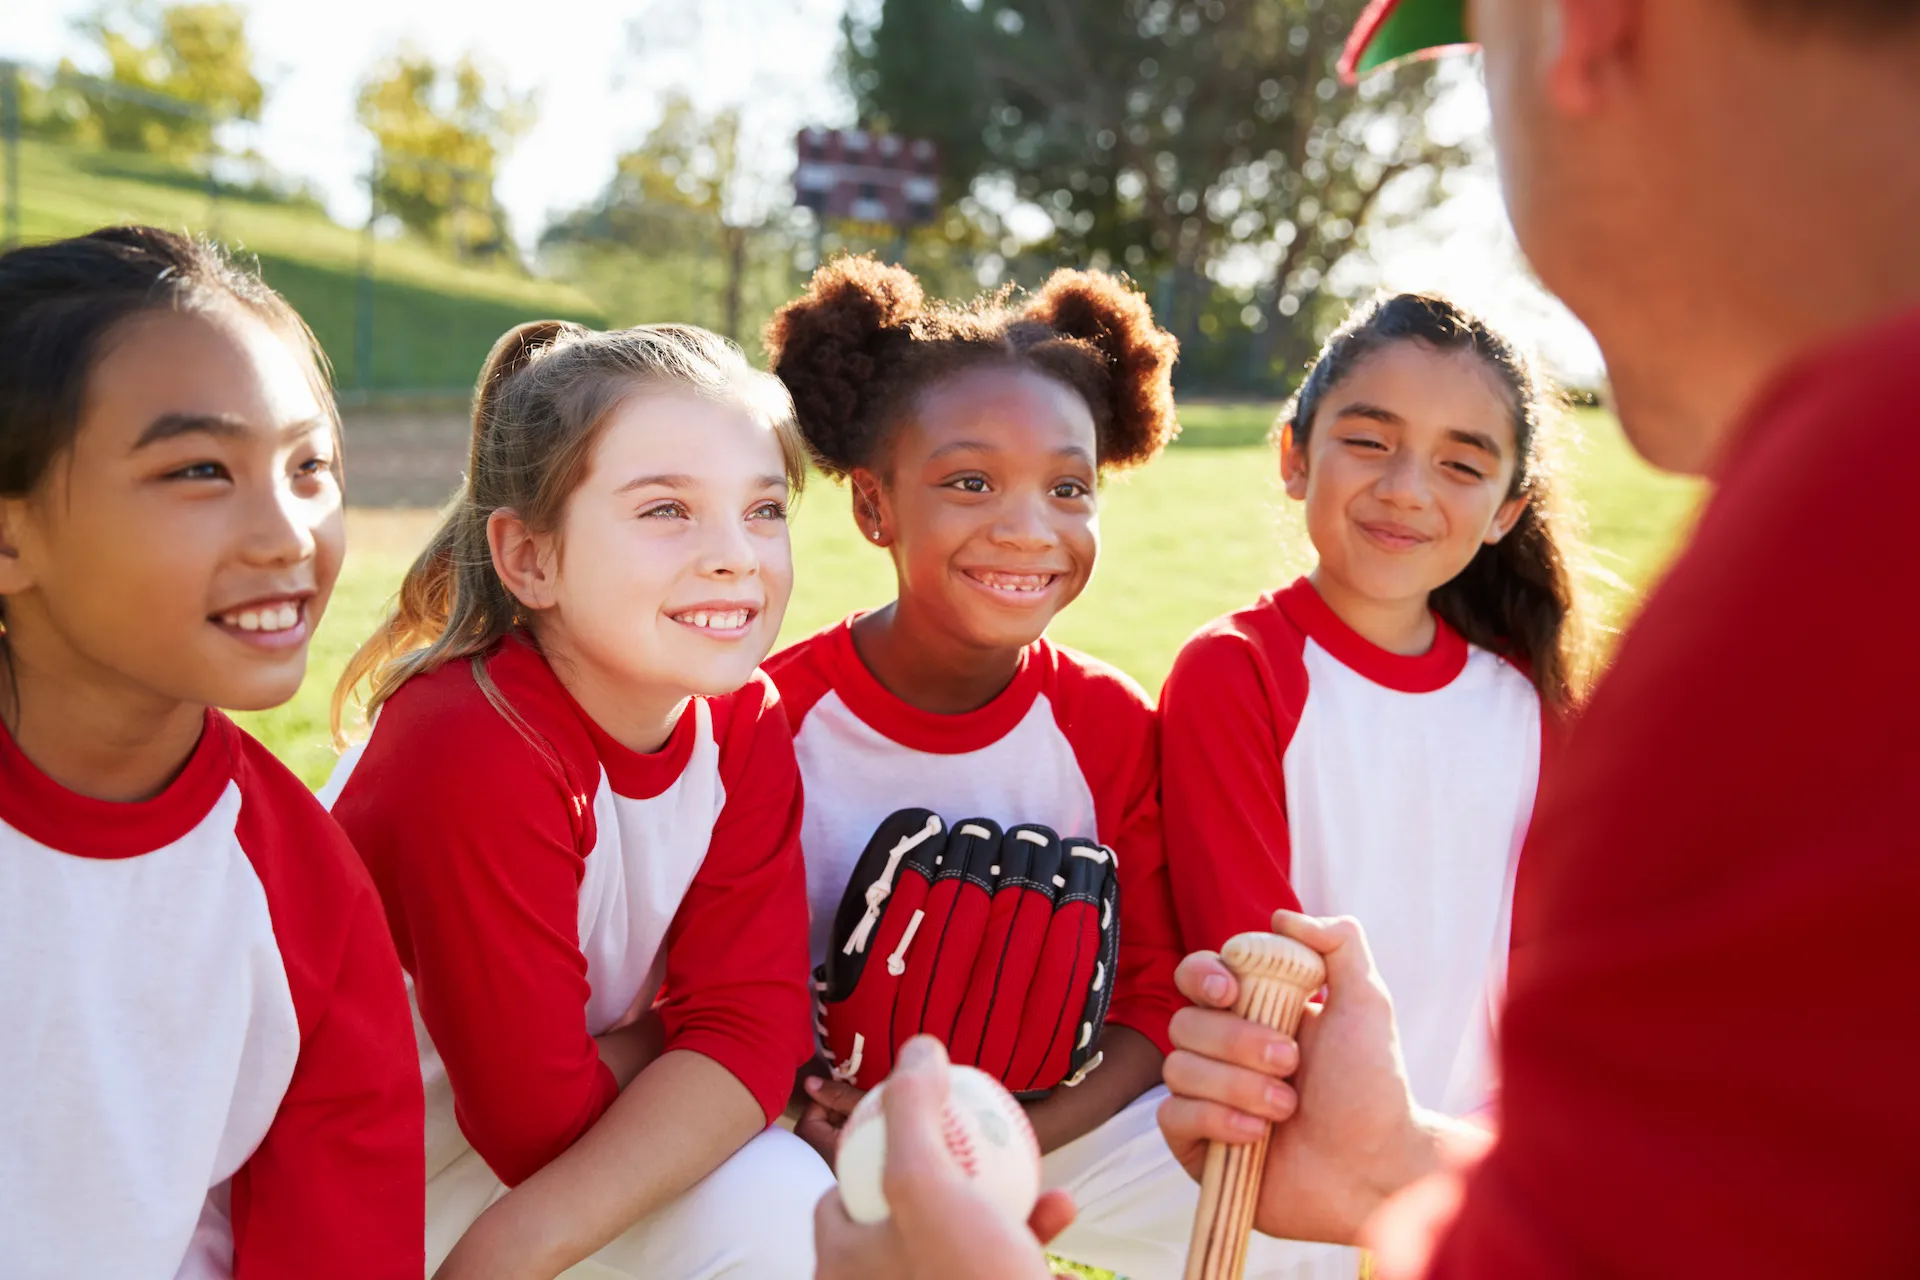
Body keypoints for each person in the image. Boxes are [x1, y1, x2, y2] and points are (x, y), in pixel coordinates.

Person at [1157, 0, 1920, 1274]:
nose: (1410, 487)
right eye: (1372, 440)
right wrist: (1403, 1154)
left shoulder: (1851, 543)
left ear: (1583, 29)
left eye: (1484, 53)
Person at [323, 320, 833, 1278]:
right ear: (530, 560)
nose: (737, 557)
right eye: (665, 511)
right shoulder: (470, 742)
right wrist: (686, 1034)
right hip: (340, 1205)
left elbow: (762, 1034)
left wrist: (508, 1253)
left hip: (517, 1198)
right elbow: (538, 1124)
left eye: (764, 510)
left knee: (784, 1203)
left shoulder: (741, 715)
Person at [762, 256, 1238, 1279]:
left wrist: (1009, 1133)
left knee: (1264, 1201)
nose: (1029, 525)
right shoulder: (770, 716)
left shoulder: (1109, 726)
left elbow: (1155, 995)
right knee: (757, 1226)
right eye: (971, 481)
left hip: (1045, 1120)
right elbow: (707, 990)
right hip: (800, 1130)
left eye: (1068, 486)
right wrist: (817, 1113)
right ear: (873, 505)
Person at [0, 226, 422, 1277]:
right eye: (199, 468)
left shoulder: (308, 894)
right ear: (10, 537)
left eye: (310, 465)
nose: (287, 533)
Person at [1156, 293, 1591, 1276]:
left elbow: (1546, 969)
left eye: (1462, 463)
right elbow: (1247, 952)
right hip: (1285, 1164)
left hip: (1466, 1176)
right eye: (1370, 441)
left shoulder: (1526, 708)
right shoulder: (1239, 669)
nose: (1407, 487)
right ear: (1293, 456)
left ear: (1506, 511)